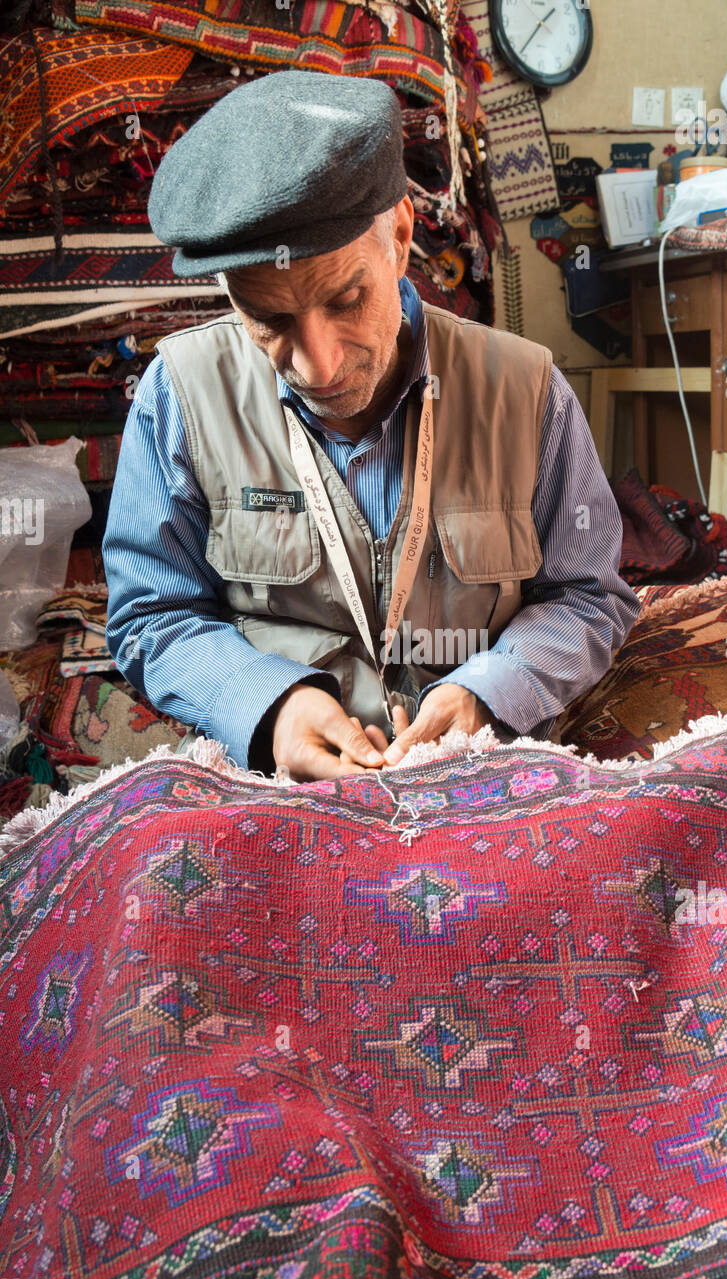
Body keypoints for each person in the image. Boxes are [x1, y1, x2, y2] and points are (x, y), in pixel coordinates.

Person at [103, 71, 640, 783]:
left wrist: (491, 691)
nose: (319, 364)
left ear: (401, 235)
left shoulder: (526, 388)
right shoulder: (178, 395)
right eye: (269, 321)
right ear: (231, 297)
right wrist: (265, 705)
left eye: (347, 299)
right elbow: (152, 612)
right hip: (280, 787)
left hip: (480, 777)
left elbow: (589, 595)